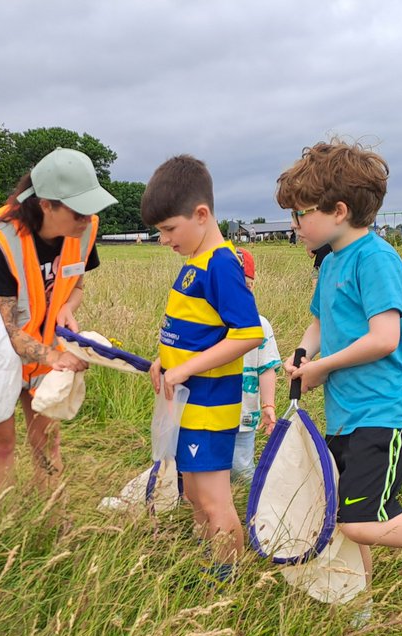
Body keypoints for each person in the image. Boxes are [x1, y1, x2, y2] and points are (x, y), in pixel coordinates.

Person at [276, 139, 402, 600]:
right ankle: (360, 606)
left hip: (383, 411)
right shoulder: (331, 262)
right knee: (345, 521)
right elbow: (319, 322)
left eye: (300, 213)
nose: (294, 225)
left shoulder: (376, 258)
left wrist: (322, 367)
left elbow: (384, 337)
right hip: (346, 413)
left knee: (361, 521)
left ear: (338, 210)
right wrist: (303, 356)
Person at [0, 147, 115, 498]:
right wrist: (54, 357)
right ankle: (5, 531)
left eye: (91, 207)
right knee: (2, 444)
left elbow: (77, 283)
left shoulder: (82, 229)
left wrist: (68, 307)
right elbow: (3, 328)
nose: (87, 218)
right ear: (46, 204)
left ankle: (53, 519)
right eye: (77, 209)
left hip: (44, 347)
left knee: (48, 439)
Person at [142, 154, 263, 581]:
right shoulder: (194, 262)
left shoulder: (221, 264)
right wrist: (165, 361)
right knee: (192, 491)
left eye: (169, 229)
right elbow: (195, 329)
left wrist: (183, 369)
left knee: (213, 500)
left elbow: (248, 334)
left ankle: (226, 580)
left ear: (202, 214)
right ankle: (206, 559)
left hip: (210, 406)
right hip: (188, 402)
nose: (164, 240)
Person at [232, 248, 280, 483]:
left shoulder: (260, 325)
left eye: (245, 287)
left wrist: (268, 404)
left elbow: (267, 368)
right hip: (208, 412)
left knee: (241, 467)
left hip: (243, 414)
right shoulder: (207, 324)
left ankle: (254, 505)